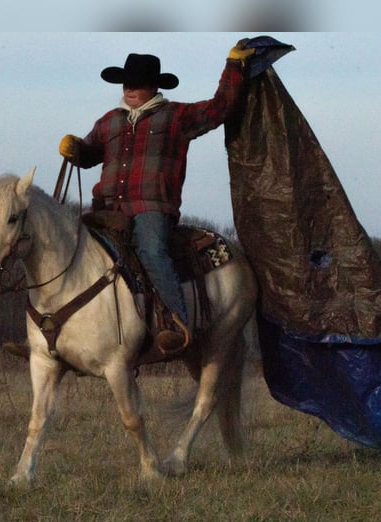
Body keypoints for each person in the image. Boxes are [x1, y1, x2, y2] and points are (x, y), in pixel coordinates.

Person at [58, 41, 255, 354]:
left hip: (151, 208)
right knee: (66, 248)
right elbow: (90, 153)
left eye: (137, 84)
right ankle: (53, 335)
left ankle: (175, 323)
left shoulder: (176, 116)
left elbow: (221, 107)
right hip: (106, 209)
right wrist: (75, 149)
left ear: (153, 87)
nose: (130, 89)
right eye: (127, 83)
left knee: (151, 251)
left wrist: (234, 67)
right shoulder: (109, 121)